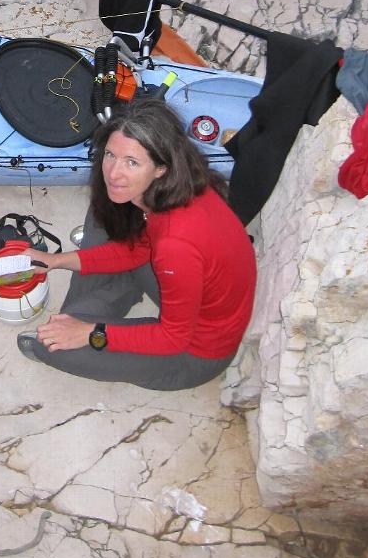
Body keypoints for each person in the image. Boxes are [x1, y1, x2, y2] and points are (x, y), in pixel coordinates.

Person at [16, 98, 256, 391]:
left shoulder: (175, 245)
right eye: (110, 155)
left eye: (132, 162)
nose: (113, 173)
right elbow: (140, 249)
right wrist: (55, 261)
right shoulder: (187, 187)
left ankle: (87, 317)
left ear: (161, 167)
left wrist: (90, 332)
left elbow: (173, 338)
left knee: (52, 345)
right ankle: (96, 306)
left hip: (192, 355)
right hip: (187, 288)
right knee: (105, 211)